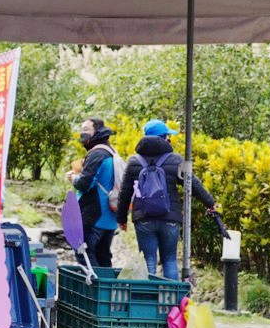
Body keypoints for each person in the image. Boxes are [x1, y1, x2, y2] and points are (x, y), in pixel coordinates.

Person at [115, 119, 217, 281]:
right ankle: (170, 302)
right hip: (170, 217)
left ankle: (149, 300)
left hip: (144, 218)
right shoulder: (175, 160)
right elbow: (193, 184)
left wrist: (121, 219)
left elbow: (125, 193)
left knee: (148, 259)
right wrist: (210, 203)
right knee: (169, 260)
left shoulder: (134, 161)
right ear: (164, 138)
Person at [68, 118, 120, 268]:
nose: (82, 133)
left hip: (94, 215)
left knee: (84, 254)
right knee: (103, 258)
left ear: (97, 131)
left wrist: (73, 178)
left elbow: (84, 184)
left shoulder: (97, 154)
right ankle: (107, 290)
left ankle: (94, 290)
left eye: (86, 130)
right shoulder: (111, 152)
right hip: (109, 218)